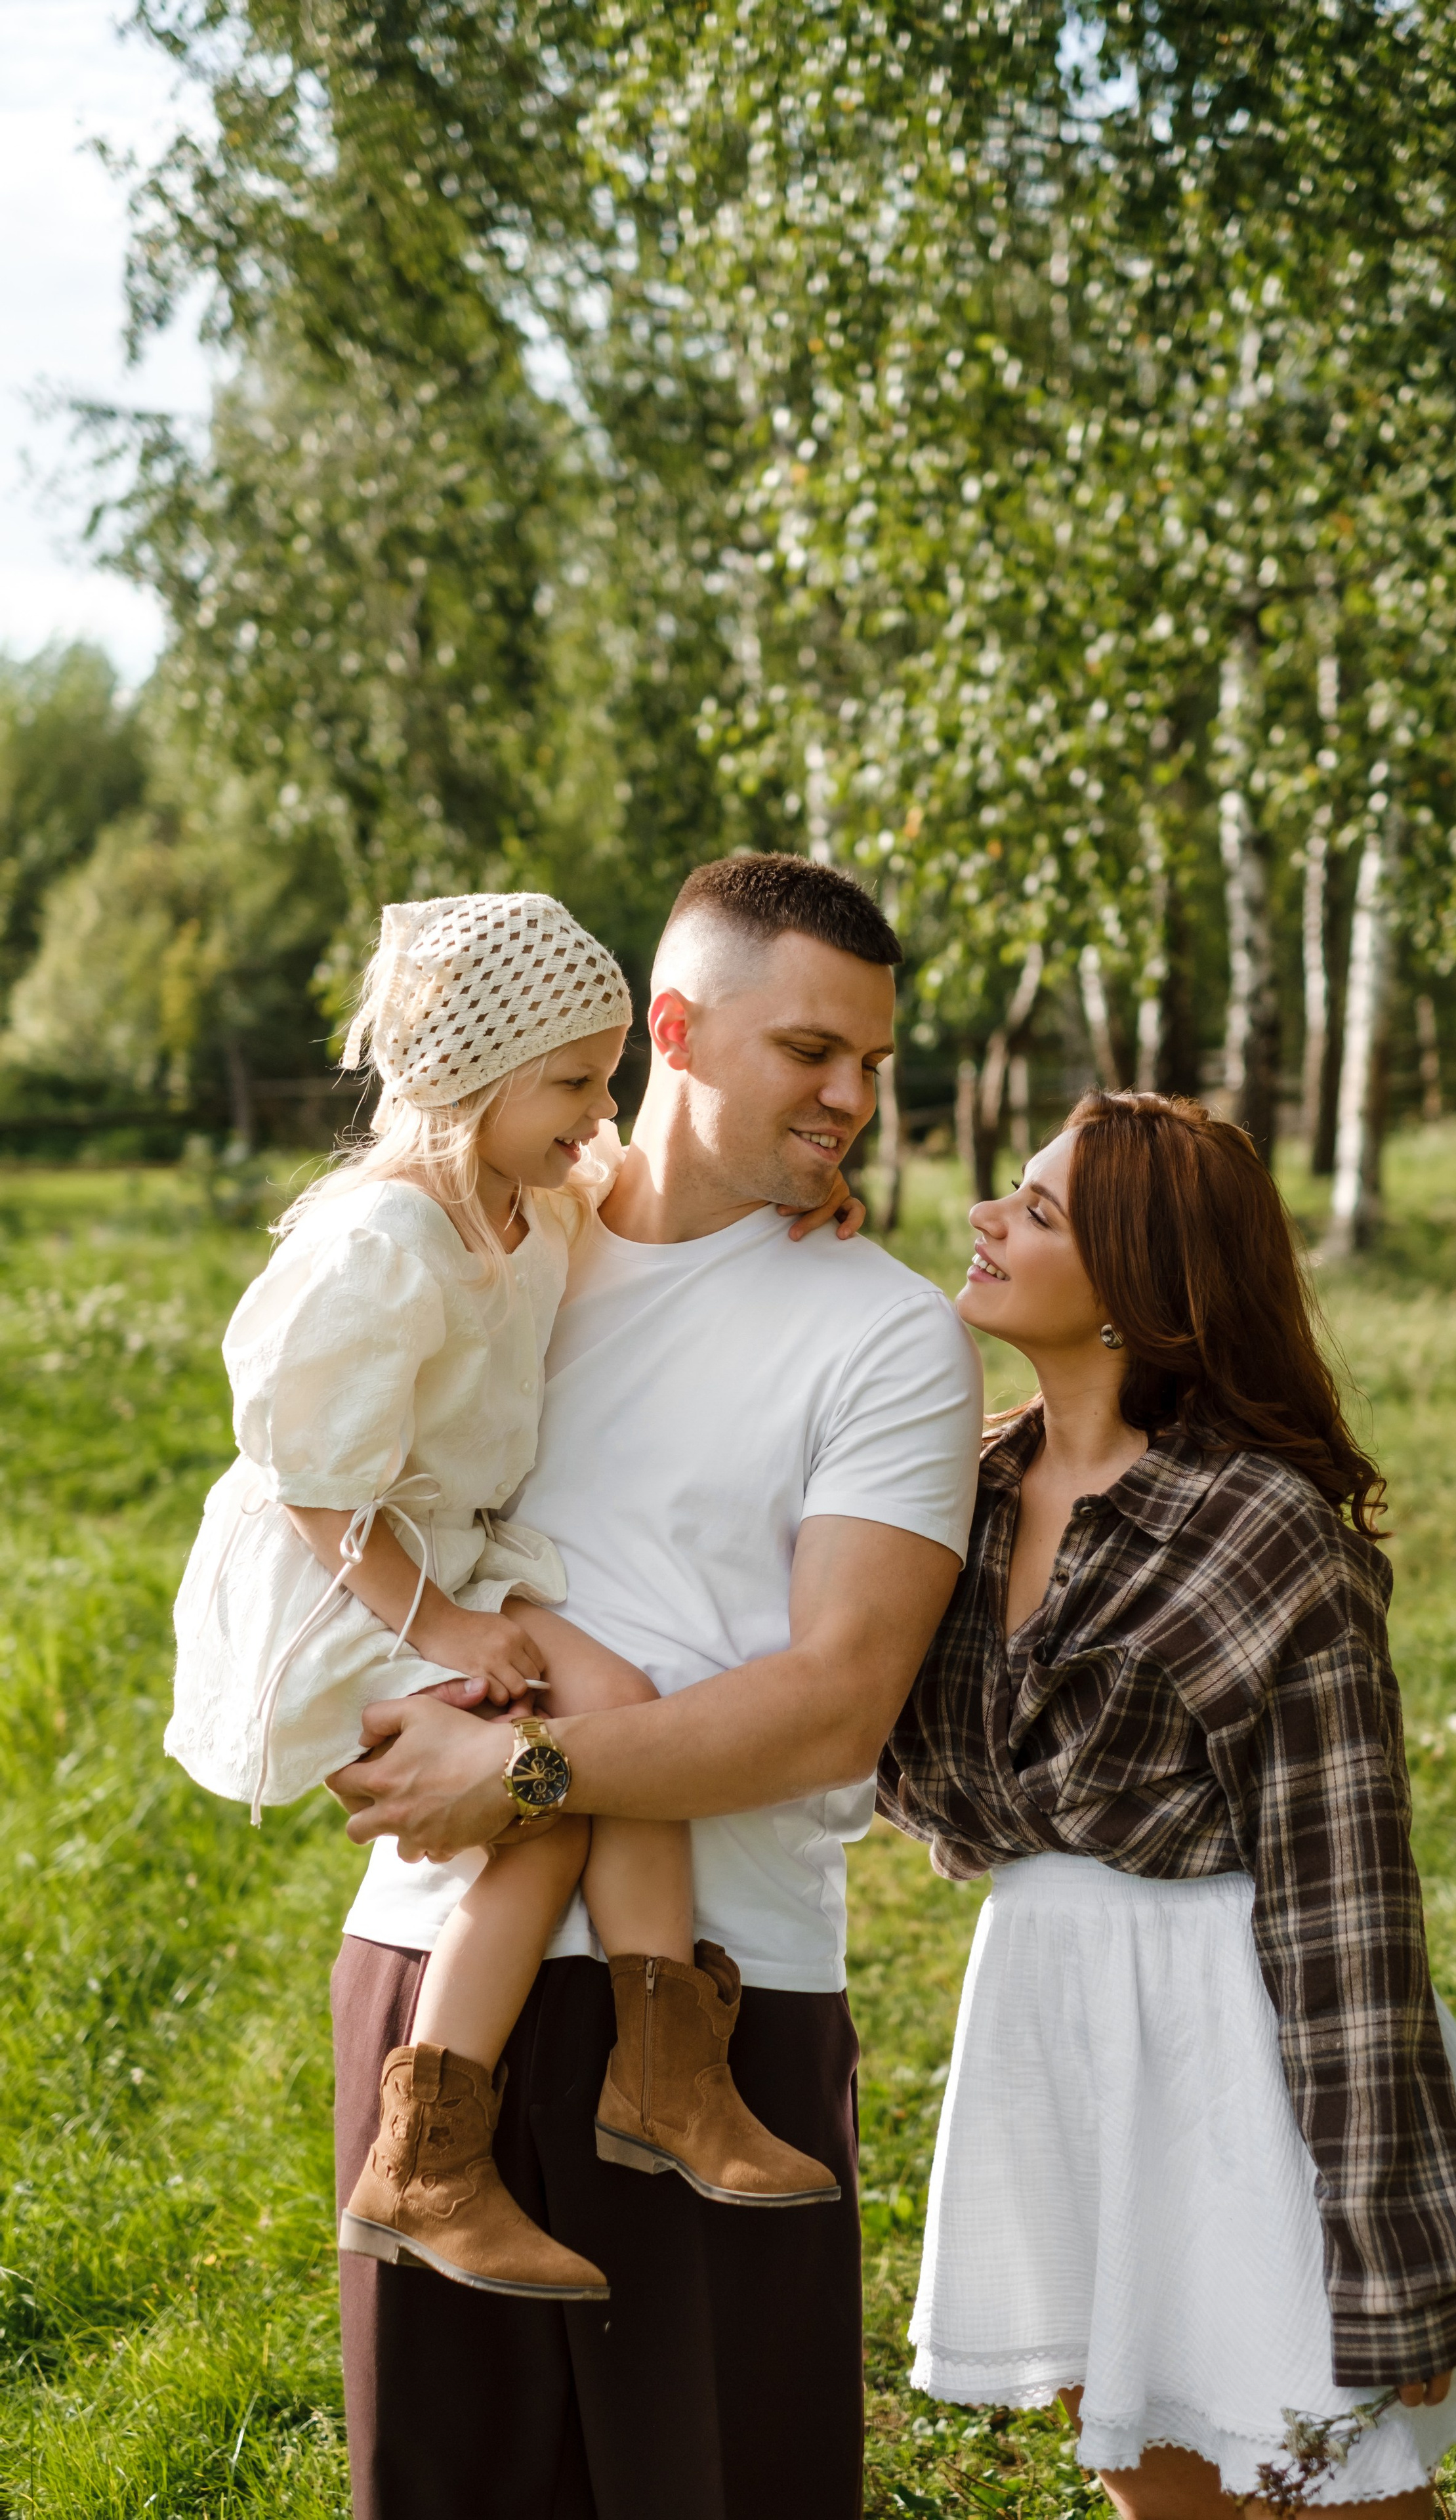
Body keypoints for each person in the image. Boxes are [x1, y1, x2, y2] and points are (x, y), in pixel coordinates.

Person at [324, 852, 985, 2520]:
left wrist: (530, 1779)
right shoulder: (489, 1247)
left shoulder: (887, 1333)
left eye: (871, 1065)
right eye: (809, 1053)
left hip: (715, 1994)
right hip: (432, 1980)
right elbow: (322, 1495)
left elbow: (836, 1703)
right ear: (672, 1028)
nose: (849, 1098)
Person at [877, 1091, 1456, 2520]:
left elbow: (1348, 1921)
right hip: (1043, 2027)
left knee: (1323, 2483)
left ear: (1139, 1286)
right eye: (1006, 1191)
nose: (983, 1218)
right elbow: (889, 1757)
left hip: (1233, 2045)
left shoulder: (1261, 1539)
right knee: (1148, 2478)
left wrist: (1387, 2258)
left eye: (1036, 1209)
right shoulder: (956, 1495)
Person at [169, 891, 841, 2314]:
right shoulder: (380, 1246)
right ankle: (429, 2152)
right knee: (543, 1790)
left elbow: (635, 1191)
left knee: (617, 1712)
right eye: (573, 1083)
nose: (603, 1111)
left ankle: (666, 2075)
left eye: (608, 1075)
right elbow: (310, 1484)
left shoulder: (531, 1192)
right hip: (349, 1581)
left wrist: (803, 1189)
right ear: (470, 1078)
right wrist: (448, 1631)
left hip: (449, 1559)